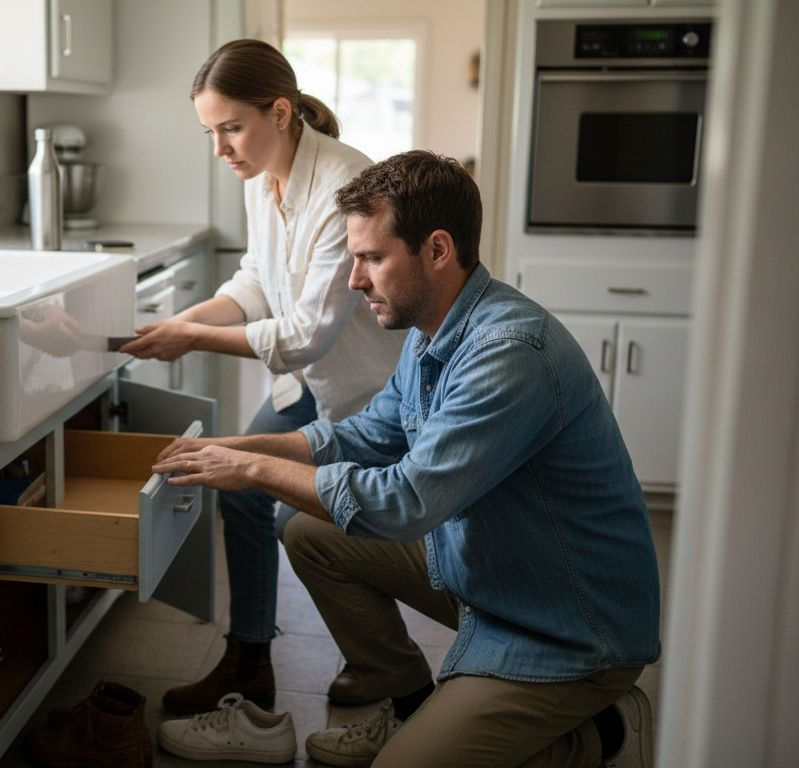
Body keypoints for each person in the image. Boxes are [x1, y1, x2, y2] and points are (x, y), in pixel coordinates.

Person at [150, 150, 662, 767]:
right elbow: (360, 437)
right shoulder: (431, 331)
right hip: (494, 570)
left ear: (438, 249)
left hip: (565, 626)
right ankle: (412, 704)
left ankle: (603, 732)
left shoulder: (509, 353)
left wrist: (255, 472)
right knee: (308, 530)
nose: (355, 279)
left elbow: (404, 502)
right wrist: (238, 447)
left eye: (371, 258)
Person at [119, 39, 405, 715]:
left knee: (334, 523)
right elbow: (255, 281)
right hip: (310, 383)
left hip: (367, 391)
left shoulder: (346, 188)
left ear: (280, 111)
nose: (220, 148)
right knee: (240, 491)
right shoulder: (263, 179)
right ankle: (250, 661)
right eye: (210, 132)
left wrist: (191, 336)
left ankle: (380, 664)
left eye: (231, 127)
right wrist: (184, 318)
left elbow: (308, 330)